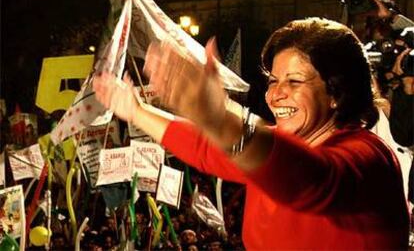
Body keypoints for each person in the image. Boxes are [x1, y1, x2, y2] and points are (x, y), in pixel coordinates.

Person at [93, 17, 409, 249]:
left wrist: (219, 117)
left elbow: (308, 182)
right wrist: (136, 111)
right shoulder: (269, 148)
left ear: (337, 92)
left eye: (295, 81)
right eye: (273, 81)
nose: (276, 94)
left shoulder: (368, 156)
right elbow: (206, 147)